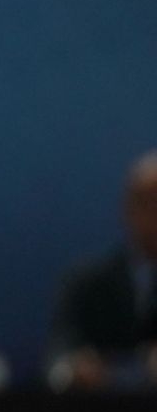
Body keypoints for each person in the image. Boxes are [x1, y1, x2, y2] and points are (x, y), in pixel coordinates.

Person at [48, 151, 157, 389]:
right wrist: (74, 368)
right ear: (128, 208)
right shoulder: (87, 282)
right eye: (150, 203)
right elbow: (60, 353)